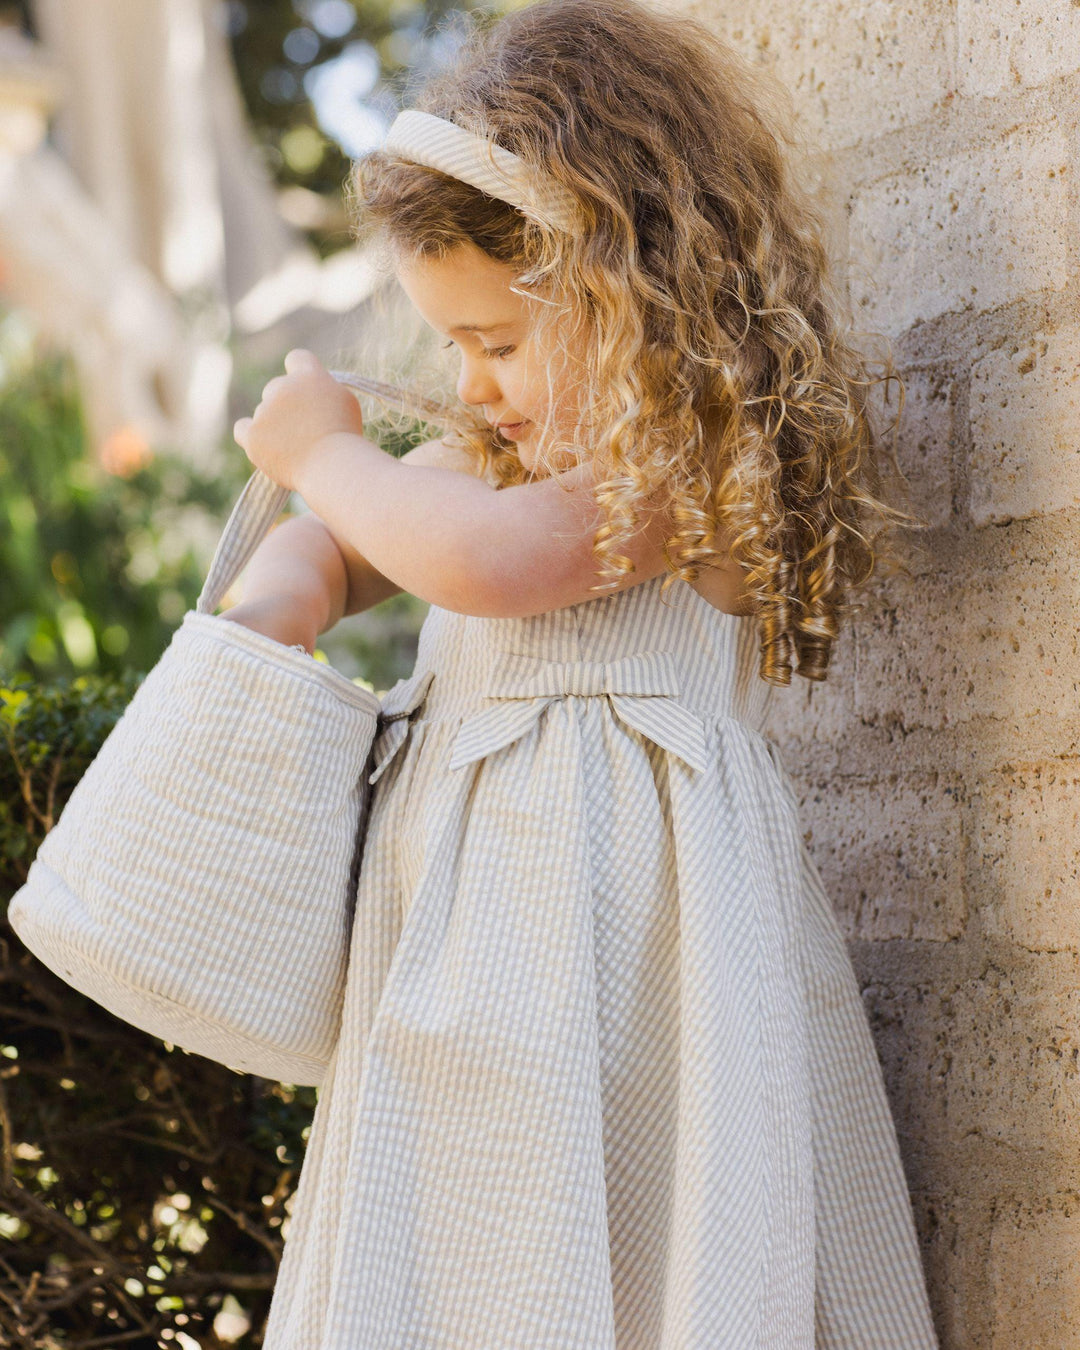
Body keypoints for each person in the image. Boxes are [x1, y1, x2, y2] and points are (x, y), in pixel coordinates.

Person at [225, 0, 940, 1345]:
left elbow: (490, 561)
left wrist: (327, 457)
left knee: (648, 1237)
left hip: (638, 955)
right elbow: (364, 548)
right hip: (475, 958)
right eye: (453, 347)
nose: (472, 384)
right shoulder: (496, 462)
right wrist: (290, 584)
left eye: (498, 342)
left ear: (633, 293)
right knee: (474, 1243)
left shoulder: (679, 460)